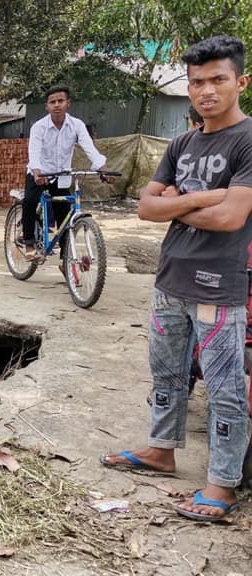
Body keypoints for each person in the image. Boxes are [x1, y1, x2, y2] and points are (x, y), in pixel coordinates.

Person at [101, 35, 252, 523]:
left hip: (218, 285)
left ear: (240, 82)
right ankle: (161, 451)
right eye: (196, 83)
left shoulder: (248, 141)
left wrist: (179, 201)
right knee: (167, 374)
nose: (206, 90)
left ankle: (222, 484)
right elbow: (146, 207)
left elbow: (232, 218)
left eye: (217, 80)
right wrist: (205, 197)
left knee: (225, 388)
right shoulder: (183, 142)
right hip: (171, 279)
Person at [23, 85, 108, 260]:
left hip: (62, 175)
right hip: (40, 173)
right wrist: (37, 172)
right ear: (47, 106)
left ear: (68, 103)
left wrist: (102, 169)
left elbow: (89, 148)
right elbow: (34, 151)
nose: (56, 105)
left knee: (64, 214)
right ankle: (29, 243)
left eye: (60, 101)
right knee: (29, 202)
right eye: (52, 102)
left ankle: (66, 260)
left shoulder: (76, 125)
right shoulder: (39, 127)